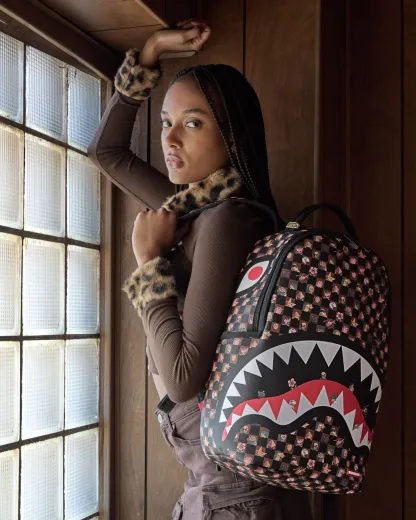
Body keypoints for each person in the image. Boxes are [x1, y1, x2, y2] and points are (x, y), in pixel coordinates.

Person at [88, 19, 313, 520]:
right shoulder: (198, 211)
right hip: (222, 484)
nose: (170, 138)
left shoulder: (227, 220)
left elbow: (183, 378)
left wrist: (149, 264)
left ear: (231, 136)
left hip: (233, 494)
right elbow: (106, 153)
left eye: (192, 124)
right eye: (166, 122)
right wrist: (149, 52)